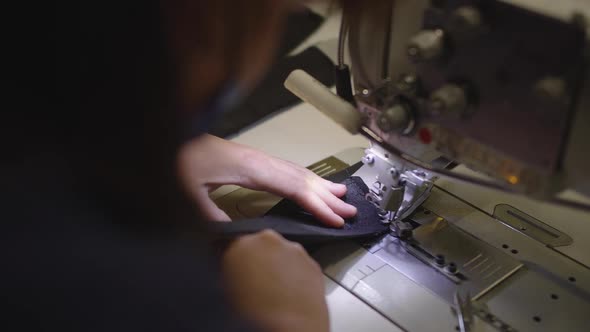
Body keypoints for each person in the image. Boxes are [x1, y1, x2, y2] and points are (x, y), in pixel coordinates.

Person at [4, 1, 357, 331]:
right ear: (198, 28)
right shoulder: (122, 283)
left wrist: (154, 144)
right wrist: (287, 320)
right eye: (280, 17)